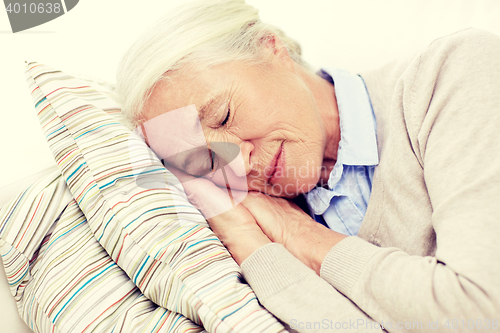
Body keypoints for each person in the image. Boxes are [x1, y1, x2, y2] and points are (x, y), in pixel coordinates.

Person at [116, 0, 500, 331]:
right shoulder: (259, 234)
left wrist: (300, 235)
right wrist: (252, 247)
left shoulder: (450, 74)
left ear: (271, 49)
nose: (237, 161)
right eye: (205, 161)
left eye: (224, 115)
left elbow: (482, 313)